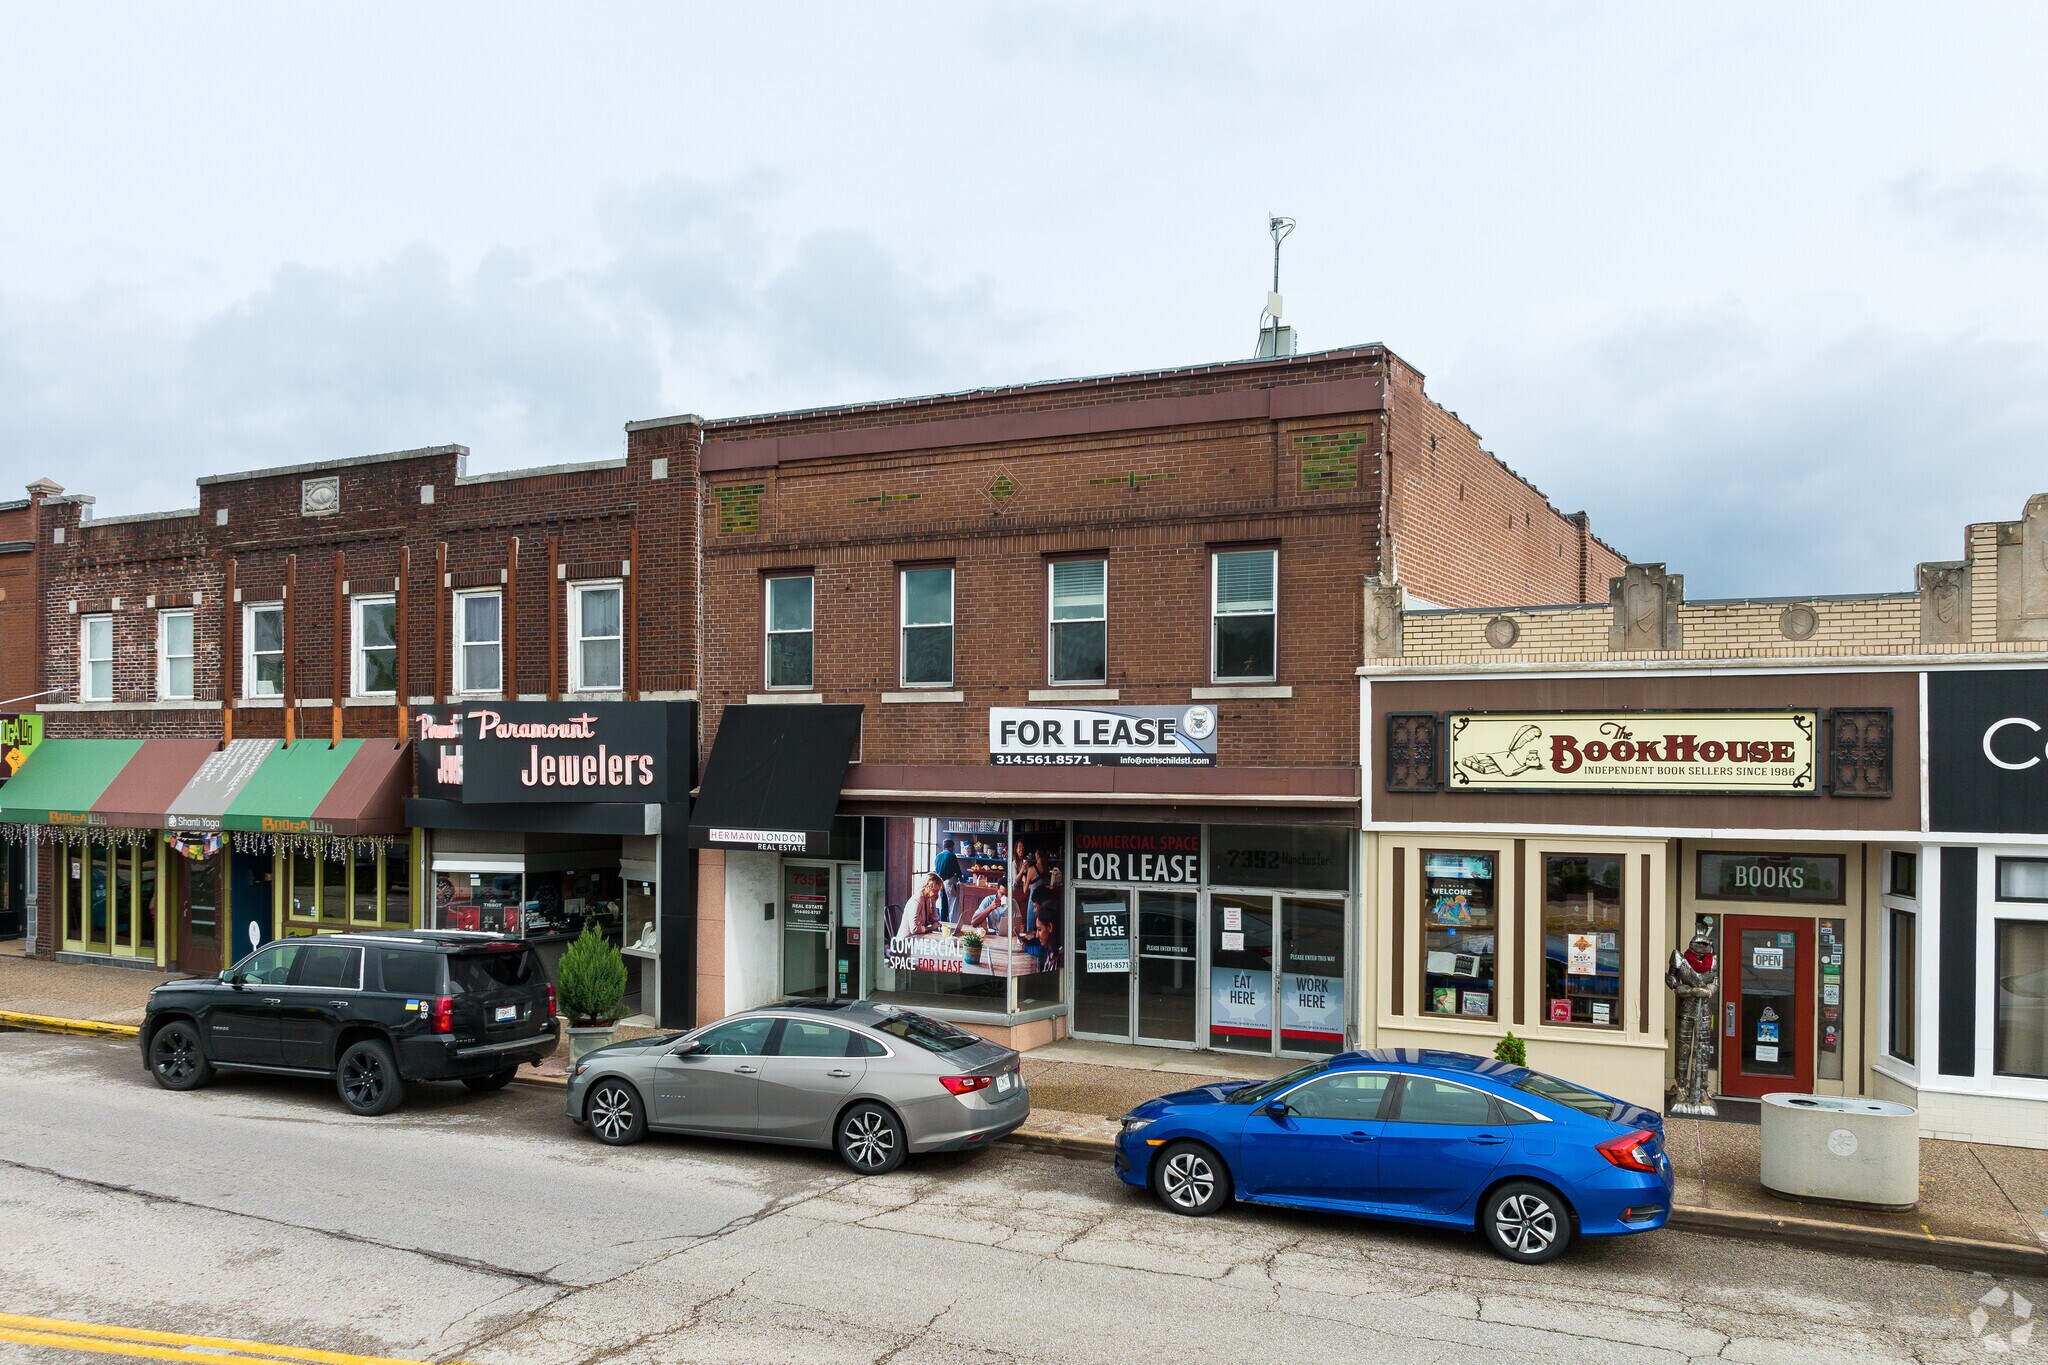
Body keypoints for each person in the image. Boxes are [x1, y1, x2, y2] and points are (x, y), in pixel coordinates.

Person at [1026, 888, 1063, 971]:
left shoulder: (1060, 957)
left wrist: (1026, 946)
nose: (1038, 935)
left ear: (1050, 927)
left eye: (1039, 930)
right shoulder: (1051, 950)